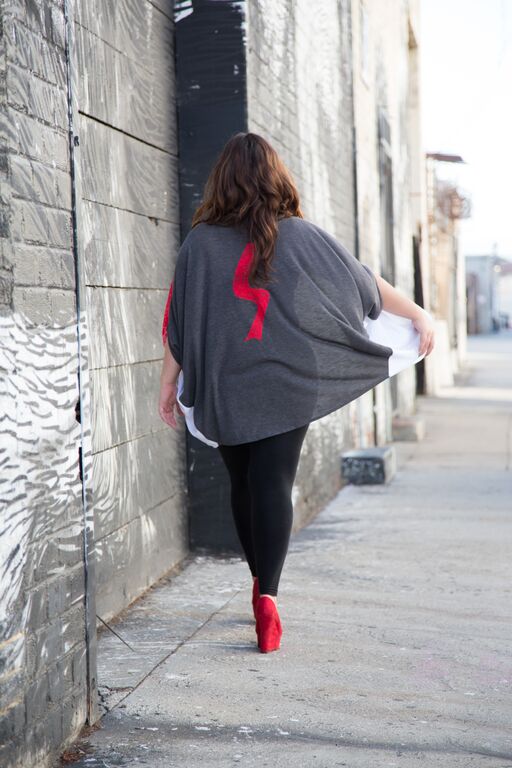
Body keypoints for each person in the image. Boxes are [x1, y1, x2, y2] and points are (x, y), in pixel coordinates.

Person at [158, 132, 435, 653]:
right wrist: (417, 313)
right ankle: (270, 597)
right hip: (290, 381)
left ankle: (257, 582)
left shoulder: (199, 243)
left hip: (225, 381)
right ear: (275, 177)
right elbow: (365, 285)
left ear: (221, 180)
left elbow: (179, 320)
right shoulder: (302, 235)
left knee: (243, 483)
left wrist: (168, 382)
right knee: (274, 481)